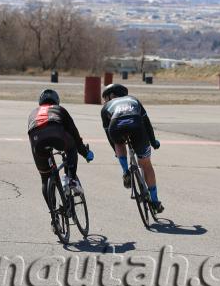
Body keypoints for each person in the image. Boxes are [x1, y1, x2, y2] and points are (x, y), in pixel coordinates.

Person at [27, 89, 94, 213]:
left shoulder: (33, 113)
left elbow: (31, 136)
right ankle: (72, 180)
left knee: (45, 178)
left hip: (37, 141)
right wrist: (85, 153)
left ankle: (54, 217)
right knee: (71, 146)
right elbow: (75, 135)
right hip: (56, 134)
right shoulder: (60, 109)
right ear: (56, 101)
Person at [101, 84, 164, 214]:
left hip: (116, 127)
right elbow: (147, 123)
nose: (105, 100)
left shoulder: (106, 107)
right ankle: (155, 201)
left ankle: (125, 171)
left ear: (111, 95)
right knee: (146, 165)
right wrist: (153, 141)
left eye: (106, 97)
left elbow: (109, 135)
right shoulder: (134, 100)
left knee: (118, 142)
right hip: (137, 128)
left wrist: (116, 151)